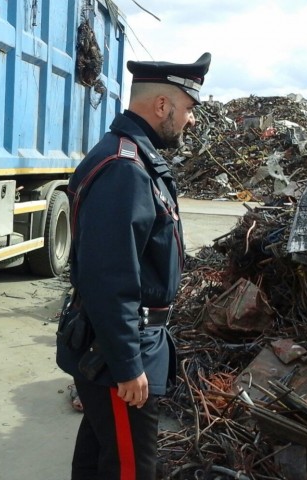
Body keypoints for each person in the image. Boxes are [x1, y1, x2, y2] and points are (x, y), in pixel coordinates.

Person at [56, 52, 211, 479]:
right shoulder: (126, 169)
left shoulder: (133, 158)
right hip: (122, 351)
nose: (191, 121)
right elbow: (109, 277)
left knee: (99, 456)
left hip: (123, 343)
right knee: (131, 468)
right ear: (162, 105)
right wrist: (127, 364)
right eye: (188, 108)